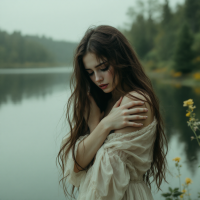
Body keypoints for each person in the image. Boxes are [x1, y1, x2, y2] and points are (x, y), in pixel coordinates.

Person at [56, 25, 168, 200]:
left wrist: (98, 125)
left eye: (103, 68)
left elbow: (105, 173)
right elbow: (77, 165)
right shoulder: (106, 102)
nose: (97, 78)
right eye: (90, 73)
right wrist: (104, 124)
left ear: (120, 59)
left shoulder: (134, 101)